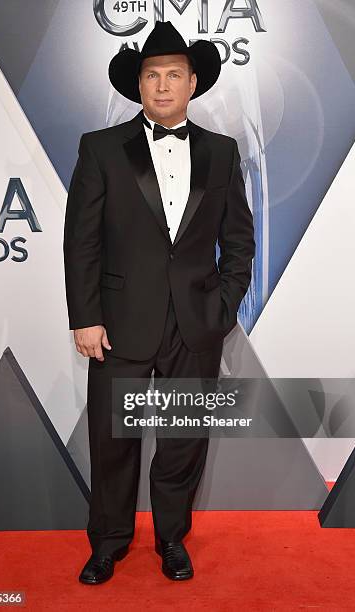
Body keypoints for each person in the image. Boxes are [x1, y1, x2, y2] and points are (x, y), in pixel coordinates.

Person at [63, 20, 255, 584]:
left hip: (196, 322)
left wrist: (222, 307)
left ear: (193, 82)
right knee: (113, 439)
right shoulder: (100, 149)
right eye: (152, 75)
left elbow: (238, 240)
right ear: (138, 84)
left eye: (174, 74)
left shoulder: (222, 152)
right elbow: (83, 240)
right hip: (119, 322)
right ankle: (110, 542)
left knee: (182, 441)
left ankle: (172, 538)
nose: (163, 85)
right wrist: (86, 317)